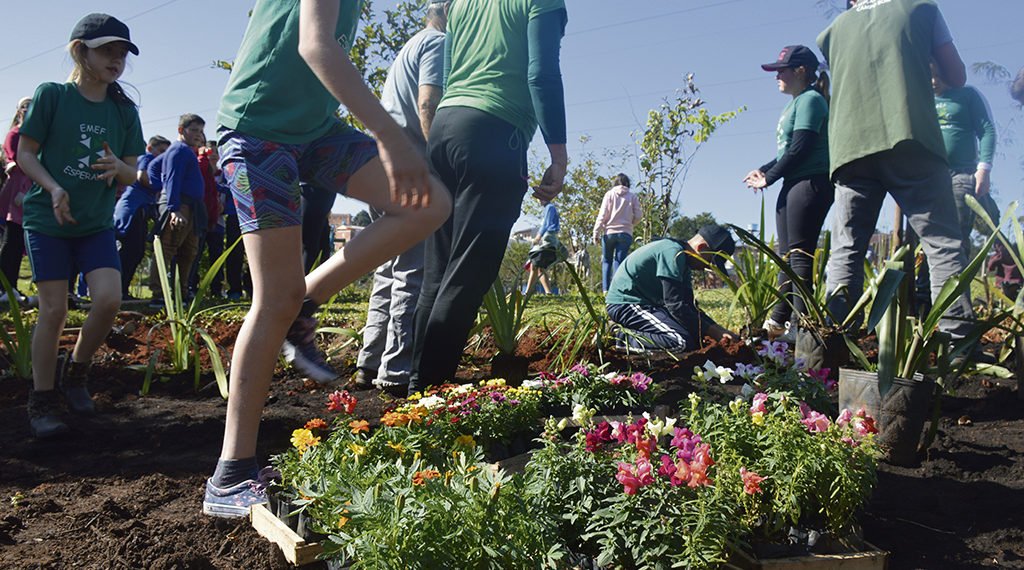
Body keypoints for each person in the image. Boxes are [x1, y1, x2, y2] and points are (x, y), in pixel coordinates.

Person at [204, 0, 451, 518]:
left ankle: (308, 299)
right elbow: (313, 44)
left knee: (428, 203)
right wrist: (390, 136)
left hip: (317, 133)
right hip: (256, 134)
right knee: (273, 298)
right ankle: (230, 474)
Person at [408, 0, 568, 394]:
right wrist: (558, 156)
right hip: (494, 131)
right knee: (469, 272)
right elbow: (542, 73)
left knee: (439, 269)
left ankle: (417, 383)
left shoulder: (461, 3)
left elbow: (448, 73)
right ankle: (431, 394)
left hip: (445, 129)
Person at [17, 13, 145, 438]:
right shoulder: (53, 96)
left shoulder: (123, 110)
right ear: (80, 51)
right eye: (107, 50)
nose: (116, 59)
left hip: (94, 223)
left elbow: (134, 172)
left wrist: (118, 169)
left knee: (109, 299)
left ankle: (76, 372)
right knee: (53, 309)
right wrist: (54, 188)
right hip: (47, 219)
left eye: (122, 52)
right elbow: (26, 154)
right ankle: (42, 399)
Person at [818, 0, 977, 341]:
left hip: (850, 148)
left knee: (846, 248)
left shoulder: (833, 31)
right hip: (911, 137)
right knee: (942, 244)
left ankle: (832, 348)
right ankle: (957, 346)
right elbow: (956, 77)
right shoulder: (920, 8)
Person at [355, 0, 449, 395]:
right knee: (413, 271)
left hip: (385, 165)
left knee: (388, 271)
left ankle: (368, 360)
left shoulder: (410, 45)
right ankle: (395, 371)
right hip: (413, 169)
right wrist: (441, 164)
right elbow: (428, 103)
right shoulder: (440, 43)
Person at [743, 45, 834, 340]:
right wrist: (763, 169)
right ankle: (777, 323)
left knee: (798, 256)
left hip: (810, 183)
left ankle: (802, 325)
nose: (776, 77)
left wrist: (768, 178)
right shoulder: (795, 103)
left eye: (781, 71)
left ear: (800, 71)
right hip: (792, 182)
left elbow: (802, 147)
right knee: (786, 256)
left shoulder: (811, 100)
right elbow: (787, 151)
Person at [606, 225, 736, 355]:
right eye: (710, 261)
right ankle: (617, 336)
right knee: (680, 342)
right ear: (701, 248)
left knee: (692, 337)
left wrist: (718, 329)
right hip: (626, 304)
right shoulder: (672, 252)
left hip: (646, 305)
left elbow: (688, 306)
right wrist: (714, 332)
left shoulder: (683, 262)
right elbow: (675, 305)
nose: (707, 267)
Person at [148, 114, 205, 306]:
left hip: (192, 207)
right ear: (181, 130)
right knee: (167, 247)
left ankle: (181, 292)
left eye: (201, 130)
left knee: (189, 251)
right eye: (194, 130)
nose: (199, 135)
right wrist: (173, 208)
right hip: (179, 205)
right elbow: (172, 178)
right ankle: (158, 293)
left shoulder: (187, 151)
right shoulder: (178, 150)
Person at [113, 134, 170, 298]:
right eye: (161, 151)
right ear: (151, 148)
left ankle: (122, 289)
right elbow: (141, 176)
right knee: (130, 250)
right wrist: (161, 186)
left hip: (141, 209)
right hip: (133, 208)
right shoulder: (147, 158)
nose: (162, 155)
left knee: (136, 251)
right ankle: (118, 290)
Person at [0, 97, 33, 301]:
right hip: (16, 191)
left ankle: (10, 285)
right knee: (11, 239)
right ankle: (3, 286)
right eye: (26, 107)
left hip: (28, 189)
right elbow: (19, 161)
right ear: (19, 111)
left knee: (19, 240)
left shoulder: (32, 136)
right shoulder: (15, 134)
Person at [593, 173, 642, 291]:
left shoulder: (609, 195)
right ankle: (616, 289)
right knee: (619, 261)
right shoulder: (632, 196)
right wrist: (631, 224)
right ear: (627, 183)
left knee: (606, 261)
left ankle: (605, 290)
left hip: (609, 233)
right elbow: (639, 215)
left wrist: (596, 232)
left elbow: (602, 215)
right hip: (625, 233)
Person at [525, 198, 560, 294]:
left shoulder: (550, 207)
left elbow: (546, 224)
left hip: (547, 242)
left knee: (535, 265)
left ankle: (528, 292)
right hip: (548, 241)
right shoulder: (549, 209)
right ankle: (547, 292)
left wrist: (538, 237)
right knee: (538, 267)